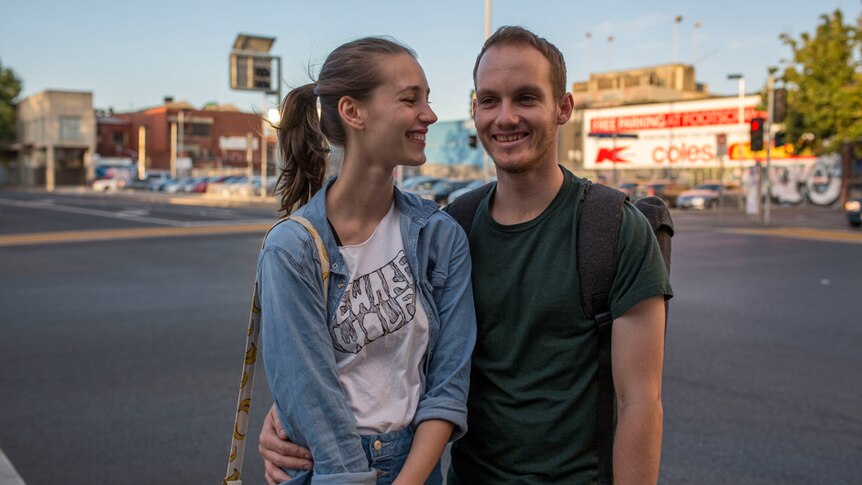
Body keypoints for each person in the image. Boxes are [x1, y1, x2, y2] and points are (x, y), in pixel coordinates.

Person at [260, 27, 672, 484]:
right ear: (474, 110)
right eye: (490, 100)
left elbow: (641, 403)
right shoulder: (453, 225)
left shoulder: (613, 227)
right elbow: (389, 357)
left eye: (527, 98)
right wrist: (289, 414)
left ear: (563, 108)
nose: (506, 117)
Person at [257, 36, 476, 485]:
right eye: (410, 99)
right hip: (324, 468)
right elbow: (310, 394)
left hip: (416, 466)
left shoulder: (440, 236)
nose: (429, 114)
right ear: (353, 112)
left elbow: (448, 384)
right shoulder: (290, 248)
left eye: (428, 100)